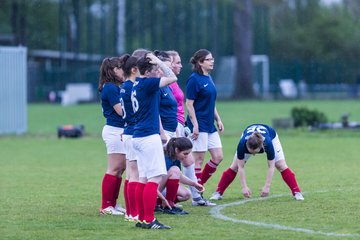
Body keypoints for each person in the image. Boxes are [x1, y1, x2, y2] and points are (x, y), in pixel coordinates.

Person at [131, 52, 177, 229]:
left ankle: (142, 218)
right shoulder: (147, 83)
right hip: (148, 137)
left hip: (138, 135)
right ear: (148, 71)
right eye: (156, 69)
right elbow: (171, 77)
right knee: (155, 178)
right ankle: (150, 219)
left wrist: (156, 63)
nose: (159, 71)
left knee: (143, 178)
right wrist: (159, 61)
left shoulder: (137, 84)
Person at [209, 124, 304, 201]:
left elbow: (271, 167)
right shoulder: (242, 144)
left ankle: (297, 192)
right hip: (248, 134)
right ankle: (218, 193)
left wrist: (267, 186)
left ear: (262, 146)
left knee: (280, 165)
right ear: (247, 145)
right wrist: (244, 187)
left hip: (271, 134)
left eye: (256, 152)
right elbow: (241, 167)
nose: (253, 155)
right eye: (251, 152)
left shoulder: (268, 143)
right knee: (234, 167)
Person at [167, 50, 212, 206]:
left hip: (179, 125)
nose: (180, 65)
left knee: (187, 161)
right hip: (172, 127)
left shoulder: (173, 82)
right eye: (177, 62)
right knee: (181, 162)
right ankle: (163, 201)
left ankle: (193, 196)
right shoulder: (165, 83)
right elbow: (186, 104)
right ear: (168, 65)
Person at [185, 49, 224, 194]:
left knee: (218, 156)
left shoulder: (209, 77)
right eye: (208, 59)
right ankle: (197, 196)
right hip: (199, 125)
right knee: (198, 161)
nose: (212, 61)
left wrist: (218, 119)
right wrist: (195, 124)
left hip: (210, 125)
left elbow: (211, 103)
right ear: (200, 62)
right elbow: (189, 104)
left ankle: (198, 185)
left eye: (212, 58)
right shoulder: (194, 79)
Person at [98, 57, 127, 215]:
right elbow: (121, 111)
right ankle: (106, 206)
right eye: (121, 68)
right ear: (114, 70)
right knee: (114, 168)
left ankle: (113, 204)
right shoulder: (110, 87)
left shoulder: (116, 87)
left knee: (121, 168)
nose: (124, 71)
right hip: (114, 130)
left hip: (119, 130)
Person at [158, 137, 205, 214]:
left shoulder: (174, 156)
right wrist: (163, 198)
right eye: (185, 153)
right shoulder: (163, 157)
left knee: (186, 194)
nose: (186, 156)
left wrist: (194, 184)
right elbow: (152, 183)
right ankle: (169, 206)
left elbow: (178, 175)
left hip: (159, 188)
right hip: (152, 189)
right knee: (175, 169)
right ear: (176, 150)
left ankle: (157, 204)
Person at [119, 54, 140, 221]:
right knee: (135, 175)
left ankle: (129, 212)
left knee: (130, 175)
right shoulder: (132, 88)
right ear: (134, 70)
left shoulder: (123, 86)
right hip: (133, 132)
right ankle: (133, 213)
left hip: (127, 131)